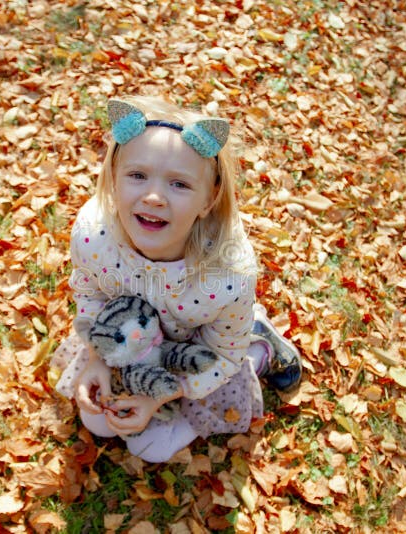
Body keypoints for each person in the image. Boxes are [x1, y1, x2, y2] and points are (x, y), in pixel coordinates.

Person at [52, 96, 302, 463]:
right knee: (97, 422)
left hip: (195, 351)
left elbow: (222, 356)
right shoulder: (93, 235)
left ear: (209, 200)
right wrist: (98, 359)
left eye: (179, 184)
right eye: (137, 176)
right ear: (113, 180)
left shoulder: (227, 275)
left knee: (151, 448)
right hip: (132, 340)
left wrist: (160, 396)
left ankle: (259, 346)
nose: (153, 196)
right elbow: (89, 293)